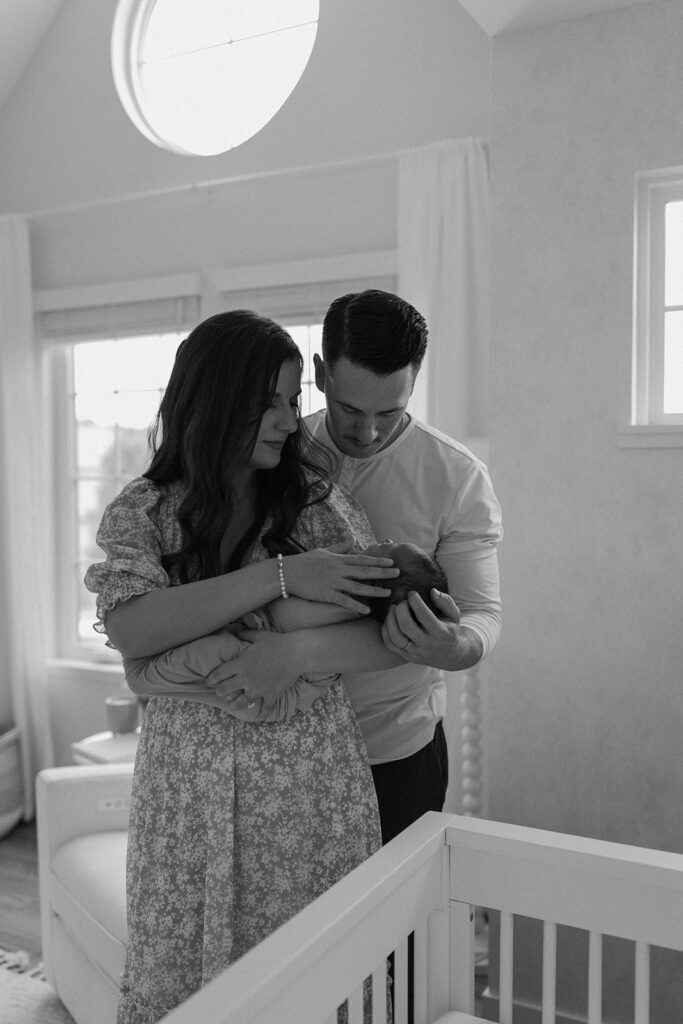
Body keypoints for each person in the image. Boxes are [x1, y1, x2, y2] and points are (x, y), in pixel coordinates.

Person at [83, 310, 401, 1024]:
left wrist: (294, 650)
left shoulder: (314, 503)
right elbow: (133, 629)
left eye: (293, 401)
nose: (290, 420)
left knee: (315, 979)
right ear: (215, 396)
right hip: (184, 799)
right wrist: (279, 577)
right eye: (271, 401)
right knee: (183, 979)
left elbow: (393, 631)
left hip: (307, 790)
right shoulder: (147, 510)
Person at [203, 291, 503, 844]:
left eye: (388, 412)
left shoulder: (457, 477)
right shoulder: (275, 449)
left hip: (393, 756)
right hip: (279, 749)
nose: (367, 434)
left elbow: (483, 615)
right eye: (350, 410)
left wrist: (452, 647)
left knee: (397, 928)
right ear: (320, 373)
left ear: (415, 382)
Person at [123, 540, 449, 723]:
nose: (386, 539)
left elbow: (282, 617)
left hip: (277, 698)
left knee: (188, 665)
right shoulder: (342, 573)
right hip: (270, 674)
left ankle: (144, 677)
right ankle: (145, 676)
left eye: (389, 551)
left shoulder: (347, 604)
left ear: (377, 582)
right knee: (157, 673)